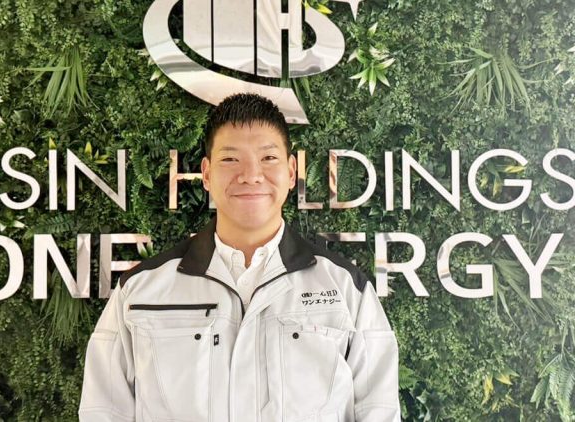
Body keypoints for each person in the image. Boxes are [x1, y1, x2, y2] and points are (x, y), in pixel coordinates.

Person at [79, 93, 400, 421]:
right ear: (206, 174)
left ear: (292, 172)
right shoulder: (140, 291)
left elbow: (380, 412)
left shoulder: (347, 290)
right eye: (231, 159)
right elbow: (103, 412)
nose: (251, 175)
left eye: (268, 158)